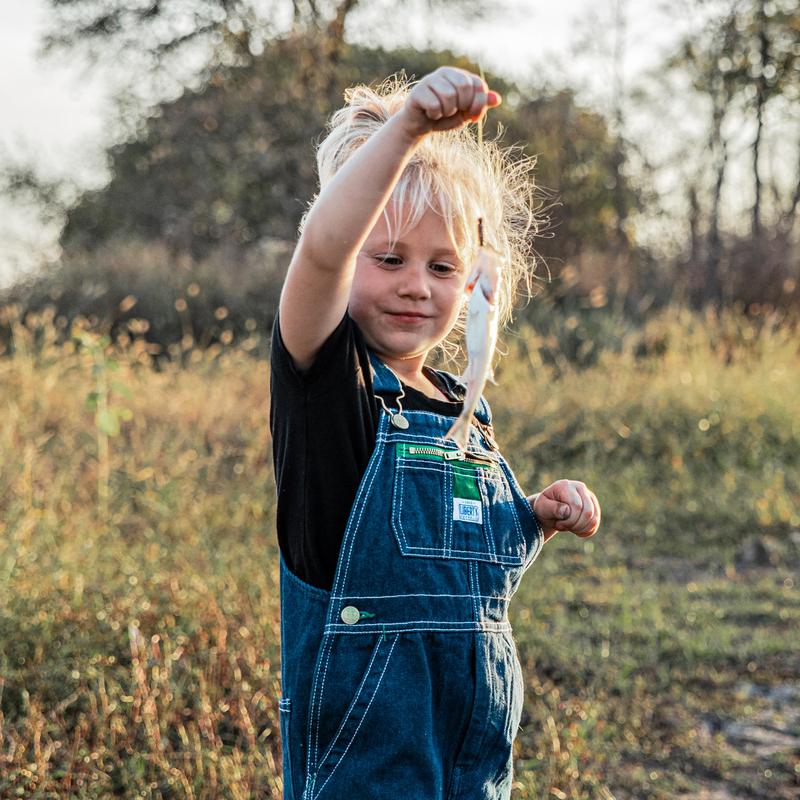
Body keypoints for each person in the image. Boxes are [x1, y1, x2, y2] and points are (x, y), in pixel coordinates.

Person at [270, 66, 601, 800]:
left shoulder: (463, 409)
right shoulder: (329, 387)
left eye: (443, 265)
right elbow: (323, 250)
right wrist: (408, 129)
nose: (417, 283)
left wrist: (534, 516)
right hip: (367, 768)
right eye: (387, 259)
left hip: (472, 761)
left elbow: (461, 569)